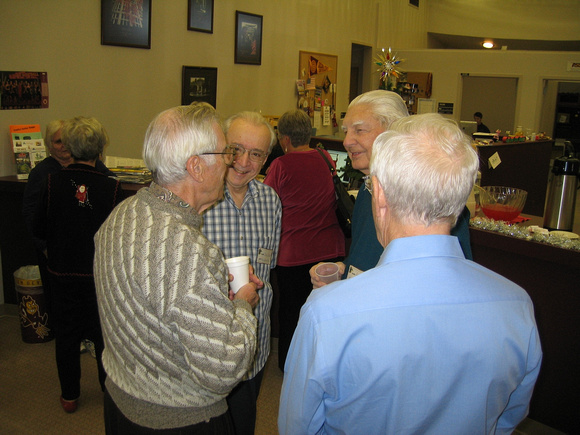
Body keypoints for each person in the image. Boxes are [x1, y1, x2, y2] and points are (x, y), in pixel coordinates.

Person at [279, 113, 543, 434]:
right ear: (460, 200)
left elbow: (298, 426)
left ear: (380, 195)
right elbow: (506, 418)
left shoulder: (327, 313)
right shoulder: (516, 304)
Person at [94, 103, 260, 434]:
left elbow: (155, 311)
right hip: (178, 420)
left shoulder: (121, 215)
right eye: (226, 152)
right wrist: (242, 305)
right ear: (196, 167)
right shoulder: (189, 250)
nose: (231, 161)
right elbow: (225, 369)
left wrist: (211, 302)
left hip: (121, 404)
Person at [310, 90, 473, 288]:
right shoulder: (368, 190)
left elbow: (450, 282)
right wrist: (342, 270)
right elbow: (363, 259)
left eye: (359, 130)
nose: (347, 141)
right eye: (346, 131)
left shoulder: (435, 201)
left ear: (392, 132)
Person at [32, 116, 125, 413]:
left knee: (67, 335)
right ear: (100, 149)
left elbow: (37, 226)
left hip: (61, 274)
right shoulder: (112, 187)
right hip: (99, 276)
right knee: (102, 336)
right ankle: (107, 389)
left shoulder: (51, 181)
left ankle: (70, 395)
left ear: (69, 147)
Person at [202, 111, 282, 435]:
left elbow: (268, 263)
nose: (243, 161)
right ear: (222, 146)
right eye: (236, 148)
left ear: (265, 160)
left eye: (256, 153)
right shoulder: (199, 198)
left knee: (243, 424)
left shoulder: (271, 202)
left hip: (254, 341)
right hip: (206, 345)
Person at [263, 109, 345, 371]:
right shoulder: (325, 158)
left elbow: (267, 203)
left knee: (291, 313)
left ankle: (289, 364)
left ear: (284, 139)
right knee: (323, 312)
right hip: (329, 247)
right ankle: (321, 363)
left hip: (294, 253)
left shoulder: (280, 166)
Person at [22, 120, 115, 326]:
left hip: (90, 253)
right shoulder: (43, 175)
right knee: (66, 318)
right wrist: (44, 247)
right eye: (58, 142)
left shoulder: (101, 172)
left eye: (67, 141)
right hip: (60, 255)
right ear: (49, 145)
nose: (63, 146)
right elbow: (33, 217)